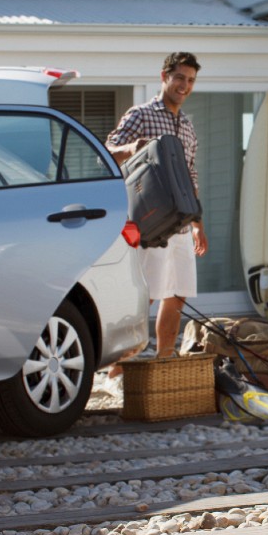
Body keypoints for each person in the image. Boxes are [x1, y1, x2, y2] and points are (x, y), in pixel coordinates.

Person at [105, 52, 208, 380]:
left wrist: (198, 225)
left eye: (190, 80)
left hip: (181, 224)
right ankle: (117, 368)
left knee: (177, 293)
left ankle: (165, 361)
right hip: (151, 222)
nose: (184, 86)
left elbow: (191, 176)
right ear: (164, 76)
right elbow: (106, 152)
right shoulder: (142, 114)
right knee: (146, 295)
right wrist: (134, 147)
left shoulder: (188, 128)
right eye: (179, 78)